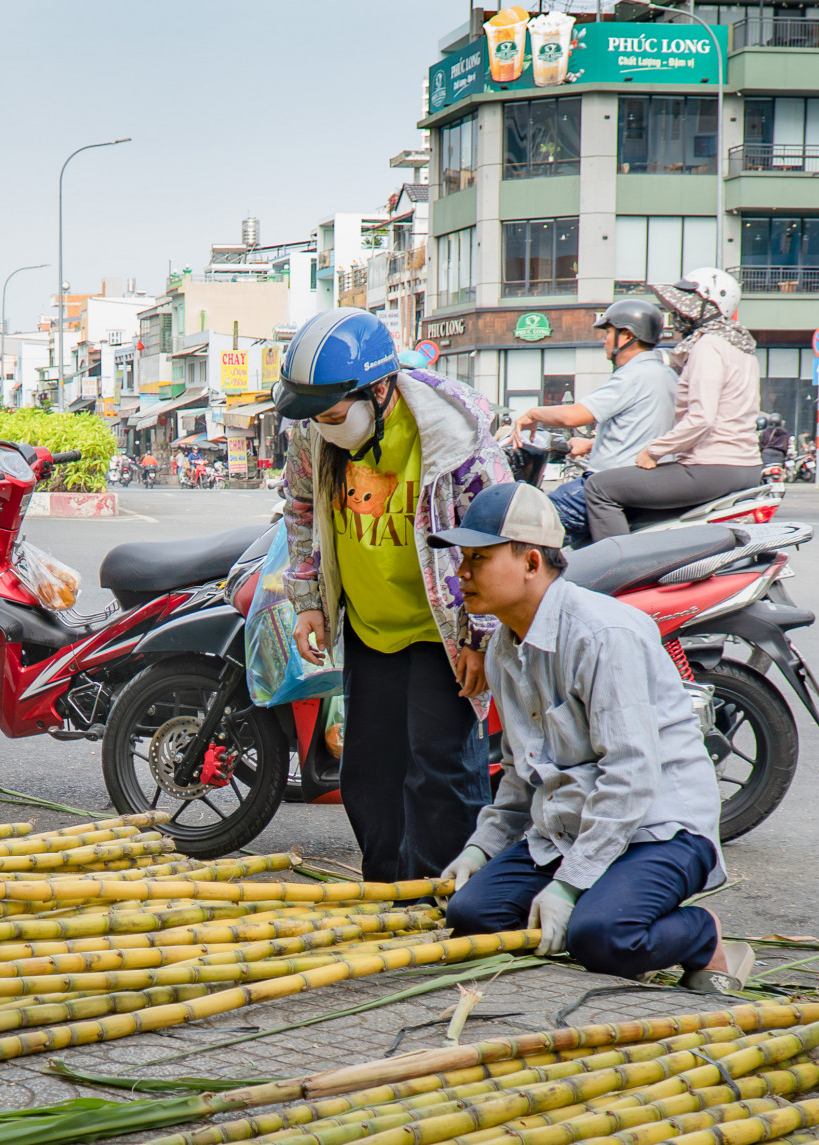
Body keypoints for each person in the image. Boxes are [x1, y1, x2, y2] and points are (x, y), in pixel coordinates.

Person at [434, 482, 748, 989]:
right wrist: (481, 849)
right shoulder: (503, 649)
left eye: (478, 559)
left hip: (656, 828)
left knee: (602, 937)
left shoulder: (603, 635)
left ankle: (702, 937)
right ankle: (596, 903)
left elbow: (630, 775)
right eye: (462, 559)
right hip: (572, 828)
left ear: (532, 563)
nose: (462, 575)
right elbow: (520, 771)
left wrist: (568, 886)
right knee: (472, 915)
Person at [275, 307, 513, 882]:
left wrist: (480, 639)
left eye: (335, 415)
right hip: (368, 628)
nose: (324, 429)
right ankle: (386, 889)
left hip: (443, 632)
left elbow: (492, 544)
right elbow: (301, 510)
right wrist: (308, 599)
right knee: (369, 771)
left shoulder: (455, 438)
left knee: (440, 770)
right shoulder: (312, 428)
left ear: (379, 389)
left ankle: (443, 894)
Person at [582, 268, 762, 541]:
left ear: (707, 305)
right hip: (744, 468)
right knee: (633, 508)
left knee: (599, 488)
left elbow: (703, 418)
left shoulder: (708, 346)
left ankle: (622, 572)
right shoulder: (739, 345)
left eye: (685, 305)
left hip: (712, 468)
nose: (678, 314)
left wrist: (654, 450)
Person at [508, 299, 678, 545]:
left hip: (606, 485)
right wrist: (590, 444)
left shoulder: (632, 375)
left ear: (627, 335)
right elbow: (644, 429)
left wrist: (533, 414)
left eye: (608, 333)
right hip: (641, 485)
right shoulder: (666, 374)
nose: (604, 340)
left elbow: (573, 416)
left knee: (526, 525)